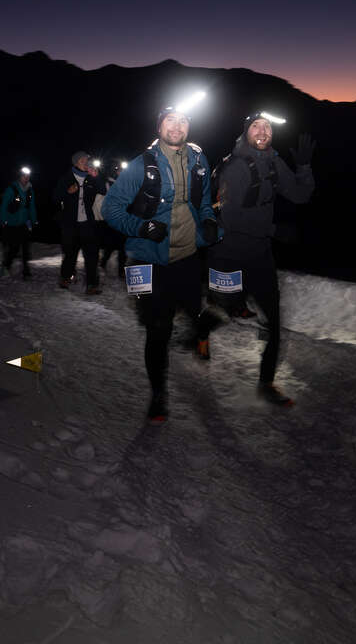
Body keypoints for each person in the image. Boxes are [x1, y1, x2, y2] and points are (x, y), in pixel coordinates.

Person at [101, 106, 219, 423]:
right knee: (157, 329)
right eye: (170, 120)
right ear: (159, 126)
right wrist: (140, 227)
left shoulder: (198, 161)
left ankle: (199, 328)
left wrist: (208, 221)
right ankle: (158, 395)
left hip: (187, 257)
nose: (177, 126)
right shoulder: (142, 166)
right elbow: (111, 209)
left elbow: (205, 201)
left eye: (182, 120)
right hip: (144, 260)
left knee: (192, 305)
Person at [209, 113, 315, 406]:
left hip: (260, 255)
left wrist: (304, 166)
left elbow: (299, 195)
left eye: (267, 127)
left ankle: (266, 383)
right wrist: (273, 229)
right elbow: (229, 217)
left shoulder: (272, 161)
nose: (263, 130)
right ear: (245, 133)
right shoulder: (235, 167)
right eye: (256, 126)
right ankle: (199, 333)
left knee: (273, 319)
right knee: (223, 307)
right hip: (228, 254)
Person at [53, 151, 106, 292]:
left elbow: (103, 190)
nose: (86, 163)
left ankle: (91, 285)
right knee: (70, 253)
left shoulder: (91, 178)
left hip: (88, 223)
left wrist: (97, 177)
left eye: (88, 160)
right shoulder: (66, 178)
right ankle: (65, 278)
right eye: (83, 160)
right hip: (70, 224)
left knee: (92, 255)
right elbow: (55, 198)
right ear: (76, 163)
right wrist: (67, 192)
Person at [0, 168, 37, 278]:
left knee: (26, 247)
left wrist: (34, 220)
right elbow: (4, 206)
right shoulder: (11, 189)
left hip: (24, 223)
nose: (26, 178)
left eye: (28, 176)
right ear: (19, 176)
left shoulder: (30, 190)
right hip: (11, 223)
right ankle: (6, 266)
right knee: (14, 248)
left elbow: (32, 207)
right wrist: (3, 220)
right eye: (24, 176)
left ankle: (26, 271)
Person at [98, 160, 127, 278]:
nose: (122, 172)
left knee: (124, 246)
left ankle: (121, 270)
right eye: (119, 170)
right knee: (110, 244)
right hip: (112, 219)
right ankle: (103, 262)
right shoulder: (108, 183)